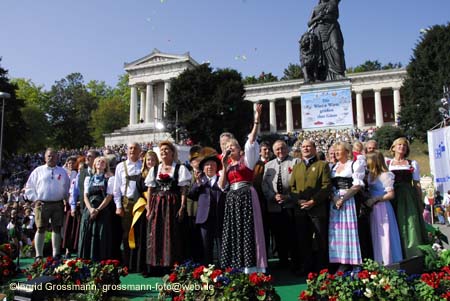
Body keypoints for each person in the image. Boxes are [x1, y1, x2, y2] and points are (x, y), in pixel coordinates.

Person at [218, 103, 267, 273]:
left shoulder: (248, 159)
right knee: (234, 230)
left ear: (240, 150)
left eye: (233, 147)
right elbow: (222, 186)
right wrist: (224, 166)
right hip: (232, 198)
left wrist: (256, 120)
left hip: (246, 195)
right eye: (227, 147)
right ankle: (236, 265)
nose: (230, 149)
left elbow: (251, 141)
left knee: (248, 230)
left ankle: (252, 268)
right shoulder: (226, 165)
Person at [145, 141, 192, 272]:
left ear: (172, 152)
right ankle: (158, 264)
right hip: (158, 204)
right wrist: (149, 207)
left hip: (173, 204)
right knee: (157, 231)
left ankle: (173, 263)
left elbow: (183, 189)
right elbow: (150, 190)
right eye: (162, 150)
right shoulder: (155, 169)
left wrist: (182, 206)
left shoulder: (180, 168)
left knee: (172, 231)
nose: (164, 152)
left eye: (166, 149)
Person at [290, 140, 332, 274]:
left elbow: (326, 186)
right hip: (300, 209)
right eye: (303, 146)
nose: (305, 148)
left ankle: (322, 268)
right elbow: (292, 187)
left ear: (314, 148)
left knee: (321, 240)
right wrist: (298, 201)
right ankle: (306, 267)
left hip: (317, 209)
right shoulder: (297, 166)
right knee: (303, 240)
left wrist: (313, 201)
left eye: (308, 146)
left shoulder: (322, 165)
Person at [25, 148, 70, 261]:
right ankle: (38, 255)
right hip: (42, 204)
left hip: (58, 203)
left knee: (57, 228)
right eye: (49, 156)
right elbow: (29, 187)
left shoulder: (62, 171)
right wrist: (35, 199)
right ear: (45, 157)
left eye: (54, 156)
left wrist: (66, 200)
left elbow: (66, 188)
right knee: (40, 228)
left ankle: (56, 254)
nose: (51, 158)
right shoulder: (38, 171)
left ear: (57, 157)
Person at [387, 137, 428, 258]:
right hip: (392, 195)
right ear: (393, 148)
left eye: (404, 145)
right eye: (399, 145)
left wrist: (419, 200)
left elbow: (417, 184)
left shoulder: (411, 163)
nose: (402, 147)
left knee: (410, 222)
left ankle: (412, 253)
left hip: (407, 196)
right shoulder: (388, 163)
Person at [262, 140, 300, 268]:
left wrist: (288, 197)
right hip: (274, 206)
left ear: (287, 148)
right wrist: (273, 196)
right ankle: (282, 261)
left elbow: (299, 184)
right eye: (277, 149)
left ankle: (295, 262)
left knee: (292, 235)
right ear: (274, 151)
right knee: (278, 236)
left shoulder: (295, 162)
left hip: (291, 205)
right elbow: (265, 185)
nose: (280, 151)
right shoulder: (268, 165)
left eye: (283, 148)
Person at [328, 142, 364, 271]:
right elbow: (331, 186)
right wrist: (335, 198)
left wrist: (343, 199)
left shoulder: (353, 165)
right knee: (338, 232)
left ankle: (355, 263)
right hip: (335, 201)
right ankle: (342, 262)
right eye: (335, 150)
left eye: (339, 150)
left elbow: (357, 185)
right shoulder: (334, 167)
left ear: (347, 152)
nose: (336, 153)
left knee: (350, 230)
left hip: (348, 201)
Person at [189, 147, 226, 265]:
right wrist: (198, 184)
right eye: (207, 165)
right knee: (206, 247)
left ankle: (224, 270)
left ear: (217, 167)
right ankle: (208, 271)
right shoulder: (200, 181)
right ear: (203, 168)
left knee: (221, 246)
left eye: (212, 165)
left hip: (220, 217)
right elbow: (191, 195)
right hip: (204, 219)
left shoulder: (222, 180)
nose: (210, 167)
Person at [365, 151, 402, 265]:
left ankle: (388, 262)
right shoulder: (370, 175)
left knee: (385, 235)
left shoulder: (385, 175)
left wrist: (375, 199)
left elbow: (391, 194)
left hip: (382, 208)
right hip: (373, 209)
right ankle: (378, 262)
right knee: (376, 235)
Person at [78, 156, 114, 261]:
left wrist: (98, 209)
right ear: (94, 164)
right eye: (98, 161)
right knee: (87, 233)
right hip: (89, 210)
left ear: (106, 165)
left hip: (102, 209)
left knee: (101, 234)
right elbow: (85, 196)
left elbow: (109, 196)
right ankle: (86, 258)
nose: (100, 163)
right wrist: (90, 209)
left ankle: (100, 259)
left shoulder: (109, 179)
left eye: (103, 162)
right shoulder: (88, 178)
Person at [113, 143, 143, 268]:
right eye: (130, 148)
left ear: (140, 151)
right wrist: (118, 206)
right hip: (127, 203)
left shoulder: (143, 165)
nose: (132, 150)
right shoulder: (120, 166)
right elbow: (116, 189)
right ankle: (127, 263)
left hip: (141, 203)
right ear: (126, 151)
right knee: (126, 233)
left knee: (140, 233)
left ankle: (138, 263)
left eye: (135, 148)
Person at [131, 150, 159, 275]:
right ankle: (143, 267)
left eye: (153, 160)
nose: (150, 162)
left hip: (158, 208)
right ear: (145, 161)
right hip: (144, 210)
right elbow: (137, 193)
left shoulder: (160, 174)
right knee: (144, 237)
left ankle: (156, 266)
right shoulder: (140, 176)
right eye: (148, 160)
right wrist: (146, 205)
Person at [307, 0, 346, 80]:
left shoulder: (333, 2)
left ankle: (338, 73)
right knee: (321, 54)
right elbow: (309, 23)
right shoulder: (315, 8)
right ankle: (322, 76)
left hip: (332, 27)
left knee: (336, 48)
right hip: (320, 30)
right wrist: (318, 17)